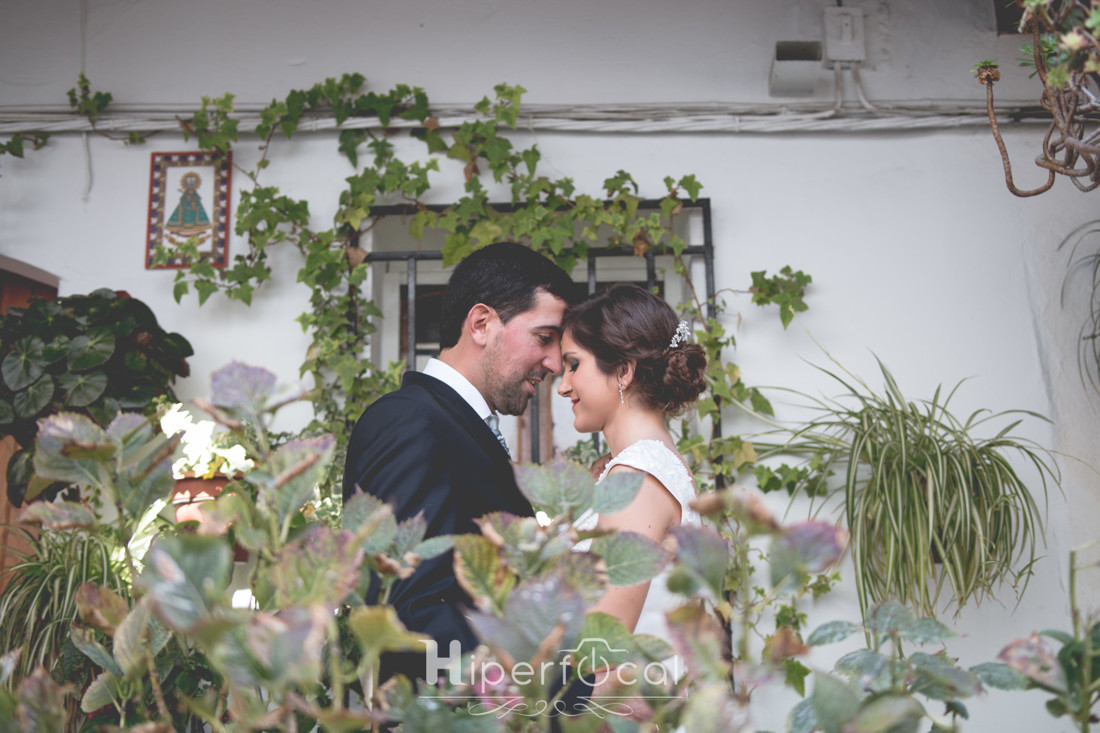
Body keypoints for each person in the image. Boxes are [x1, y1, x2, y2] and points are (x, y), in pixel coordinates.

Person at [342, 241, 576, 684]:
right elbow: (410, 617)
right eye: (544, 338)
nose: (553, 363)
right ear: (483, 323)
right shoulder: (410, 422)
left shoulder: (455, 424)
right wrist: (565, 688)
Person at [557, 283, 708, 637]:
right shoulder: (650, 465)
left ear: (623, 371)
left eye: (573, 366)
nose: (563, 386)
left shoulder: (637, 479)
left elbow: (599, 642)